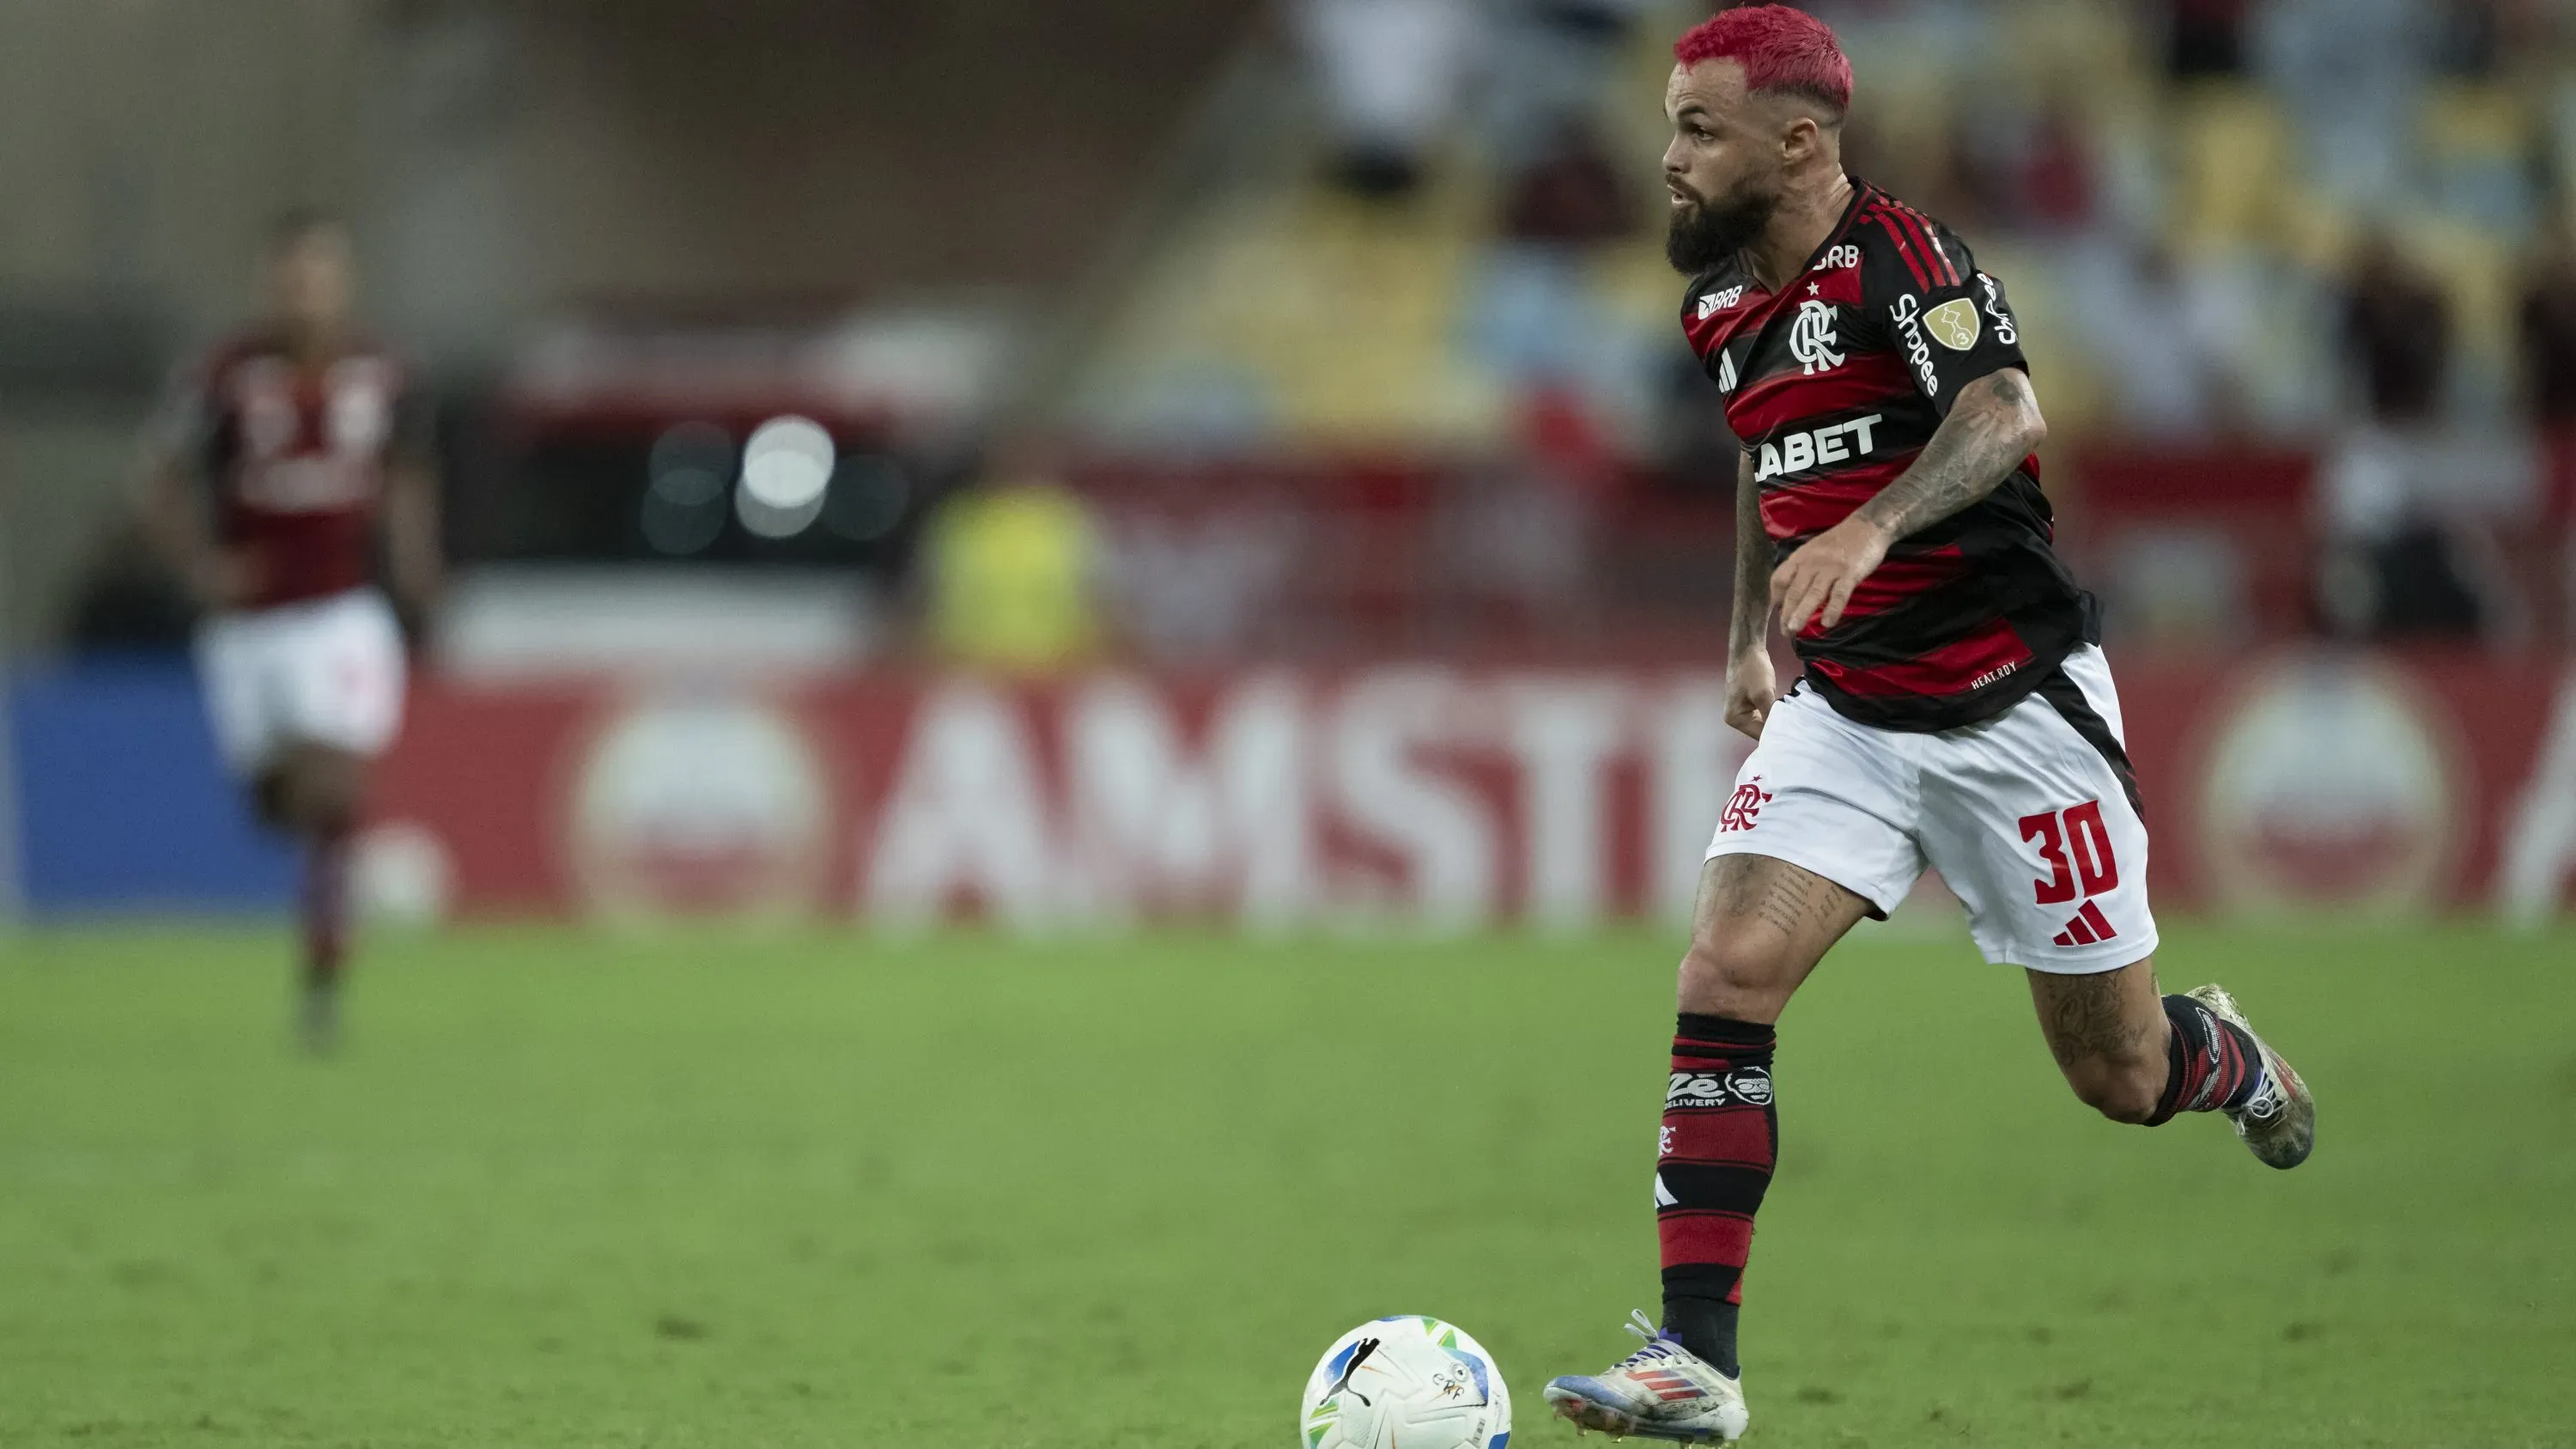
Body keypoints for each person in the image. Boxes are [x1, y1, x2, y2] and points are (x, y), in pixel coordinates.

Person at [1539, 11, 2313, 1442]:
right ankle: (1696, 1365)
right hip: (1850, 708)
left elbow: (2005, 413)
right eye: (1670, 124)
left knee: (2117, 1073)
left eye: (1699, 129)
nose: (1669, 157)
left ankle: (2225, 1055)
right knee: (1726, 971)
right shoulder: (1717, 302)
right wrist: (1747, 626)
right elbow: (1765, 460)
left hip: (2015, 706)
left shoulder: (1908, 258)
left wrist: (1874, 527)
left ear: (1799, 141)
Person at [138, 211, 441, 1051]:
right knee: (279, 808)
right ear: (267, 283)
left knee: (338, 793)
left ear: (344, 281)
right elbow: (158, 486)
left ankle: (321, 985)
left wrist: (417, 564)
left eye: (319, 273)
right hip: (247, 632)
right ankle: (328, 910)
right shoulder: (220, 377)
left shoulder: (386, 372)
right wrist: (201, 563)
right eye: (290, 274)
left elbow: (409, 474)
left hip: (342, 615)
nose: (304, 290)